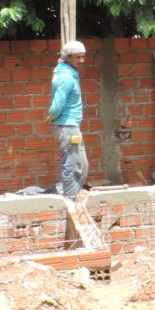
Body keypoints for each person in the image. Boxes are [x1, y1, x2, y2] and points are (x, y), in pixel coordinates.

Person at [48, 40, 89, 199]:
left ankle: (74, 197)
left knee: (82, 166)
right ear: (68, 57)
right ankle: (71, 203)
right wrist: (51, 116)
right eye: (78, 57)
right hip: (67, 126)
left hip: (72, 126)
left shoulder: (67, 71)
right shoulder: (67, 77)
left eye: (83, 57)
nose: (81, 61)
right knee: (73, 167)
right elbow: (57, 105)